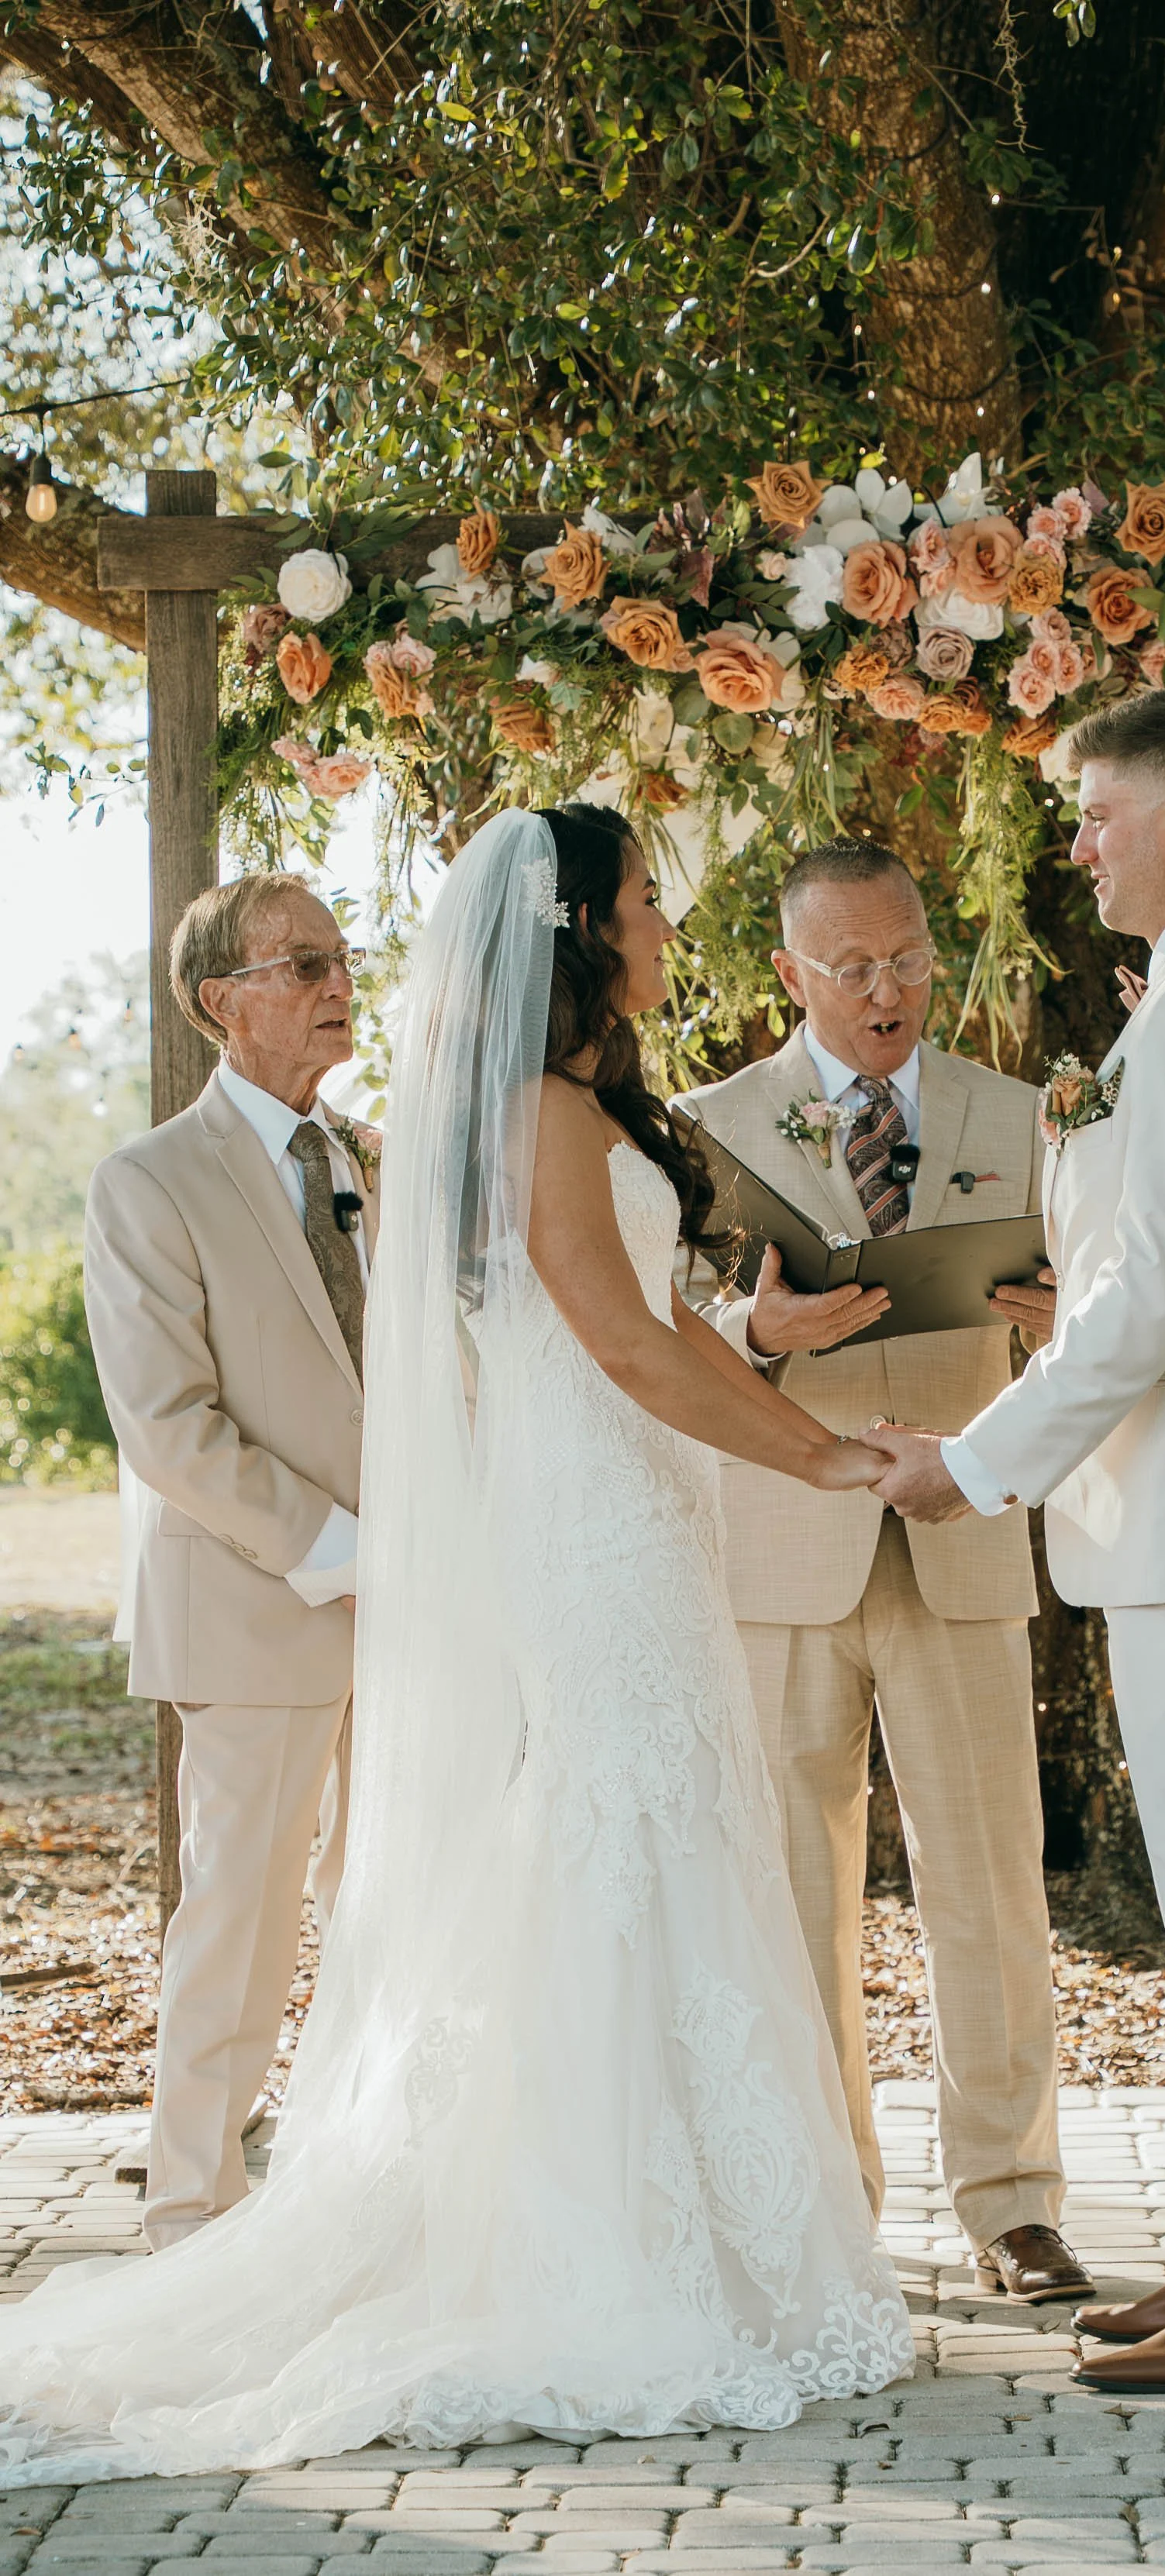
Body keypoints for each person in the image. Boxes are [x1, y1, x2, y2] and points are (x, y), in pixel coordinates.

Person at [0, 804, 911, 2473]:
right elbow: (617, 1352)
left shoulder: (482, 1126)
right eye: (642, 896)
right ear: (574, 927)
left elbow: (585, 1337)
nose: (660, 917)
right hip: (556, 1530)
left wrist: (754, 1350)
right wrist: (828, 1453)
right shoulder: (530, 1115)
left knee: (634, 1847)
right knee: (599, 1845)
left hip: (605, 1511)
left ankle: (687, 2225)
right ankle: (570, 2241)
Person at [867, 690, 1165, 2396]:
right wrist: (1067, 1296)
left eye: (1095, 812)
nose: (1072, 843)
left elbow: (1157, 1298)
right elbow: (1163, 1270)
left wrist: (981, 1460)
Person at [675, 838, 1088, 2305]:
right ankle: (820, 2206)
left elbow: (1100, 1313)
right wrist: (753, 1339)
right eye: (850, 966)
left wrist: (1057, 1321)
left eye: (907, 956)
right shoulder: (703, 1124)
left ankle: (1014, 2201)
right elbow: (649, 1334)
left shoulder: (1027, 1115)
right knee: (793, 1886)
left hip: (960, 1523)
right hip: (782, 1534)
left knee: (992, 1878)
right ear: (791, 974)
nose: (885, 988)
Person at [84, 876, 373, 2248]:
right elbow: (169, 1428)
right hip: (259, 1602)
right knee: (240, 1925)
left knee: (390, 1916)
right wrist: (351, 1551)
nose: (337, 981)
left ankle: (358, 2193)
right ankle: (191, 2210)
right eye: (301, 962)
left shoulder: (374, 1157)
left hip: (424, 1616)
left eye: (340, 955)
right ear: (222, 1002)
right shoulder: (148, 1183)